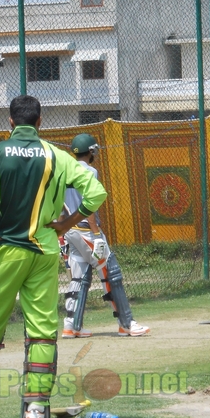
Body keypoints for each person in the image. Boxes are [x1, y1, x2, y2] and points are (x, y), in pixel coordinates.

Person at [0, 96, 107, 418]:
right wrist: (66, 225)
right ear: (40, 122)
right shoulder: (57, 156)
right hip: (44, 254)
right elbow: (96, 194)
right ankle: (36, 413)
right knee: (41, 333)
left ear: (10, 122)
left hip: (5, 253)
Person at [62, 133, 150, 339]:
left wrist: (61, 231)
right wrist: (96, 234)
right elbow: (89, 203)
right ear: (91, 151)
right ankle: (126, 323)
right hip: (86, 229)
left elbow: (60, 204)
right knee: (112, 272)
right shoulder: (90, 171)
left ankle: (72, 326)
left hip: (69, 229)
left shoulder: (64, 172)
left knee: (80, 276)